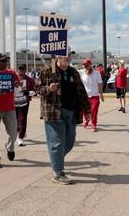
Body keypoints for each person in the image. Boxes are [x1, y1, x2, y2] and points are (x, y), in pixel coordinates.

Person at [35, 55, 91, 185]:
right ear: (59, 58)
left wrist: (87, 110)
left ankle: (56, 159)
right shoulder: (48, 70)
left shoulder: (73, 72)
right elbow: (37, 89)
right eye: (65, 58)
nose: (67, 61)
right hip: (54, 112)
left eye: (69, 59)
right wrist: (49, 89)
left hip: (71, 112)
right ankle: (58, 173)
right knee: (57, 143)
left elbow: (81, 91)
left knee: (70, 142)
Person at [78, 59, 104, 132]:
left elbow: (100, 84)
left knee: (94, 111)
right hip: (85, 95)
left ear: (90, 65)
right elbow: (71, 72)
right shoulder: (81, 72)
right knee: (84, 110)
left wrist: (101, 94)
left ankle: (93, 124)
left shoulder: (97, 73)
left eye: (87, 65)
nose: (85, 66)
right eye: (84, 65)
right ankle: (86, 119)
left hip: (94, 95)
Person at [15, 64, 36, 146]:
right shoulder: (13, 78)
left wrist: (28, 93)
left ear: (25, 70)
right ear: (18, 70)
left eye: (23, 69)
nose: (21, 71)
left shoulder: (30, 80)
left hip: (24, 102)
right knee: (15, 120)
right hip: (13, 103)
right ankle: (19, 132)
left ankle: (20, 137)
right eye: (20, 69)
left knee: (23, 119)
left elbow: (35, 91)